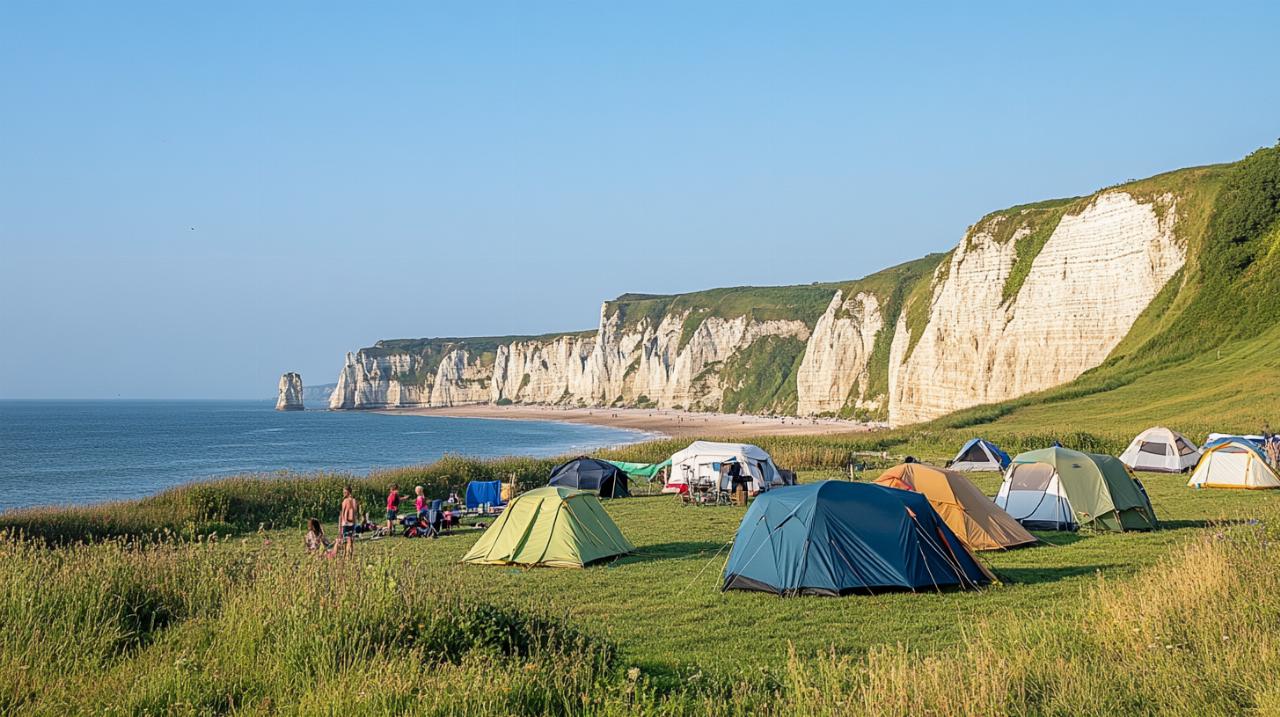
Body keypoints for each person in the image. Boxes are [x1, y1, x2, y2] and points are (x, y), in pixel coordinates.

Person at [338, 486, 358, 557]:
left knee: (346, 540)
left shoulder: (345, 501)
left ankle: (346, 555)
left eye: (345, 492)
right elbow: (355, 512)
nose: (343, 493)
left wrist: (340, 525)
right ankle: (350, 555)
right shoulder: (354, 501)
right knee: (351, 540)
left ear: (348, 492)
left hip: (345, 523)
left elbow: (342, 513)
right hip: (352, 522)